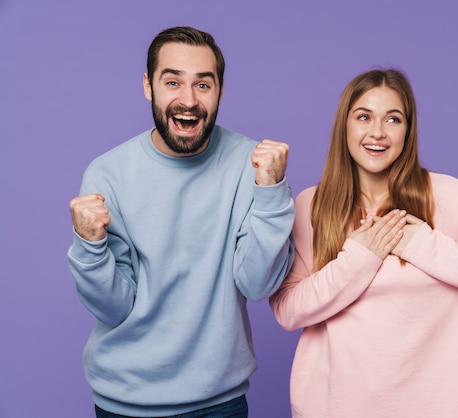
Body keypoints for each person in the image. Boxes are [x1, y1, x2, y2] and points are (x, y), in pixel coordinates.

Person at [269, 68, 458, 417]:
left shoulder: (446, 195)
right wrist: (360, 258)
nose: (377, 132)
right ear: (345, 126)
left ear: (408, 130)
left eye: (393, 119)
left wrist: (423, 246)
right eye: (364, 117)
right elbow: (288, 311)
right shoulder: (313, 205)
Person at [67, 26, 295, 418]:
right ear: (148, 86)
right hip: (125, 402)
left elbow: (257, 284)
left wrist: (271, 193)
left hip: (219, 403)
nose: (187, 100)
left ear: (220, 90)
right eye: (172, 82)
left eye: (203, 85)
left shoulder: (252, 164)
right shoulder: (107, 174)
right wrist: (88, 245)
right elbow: (113, 307)